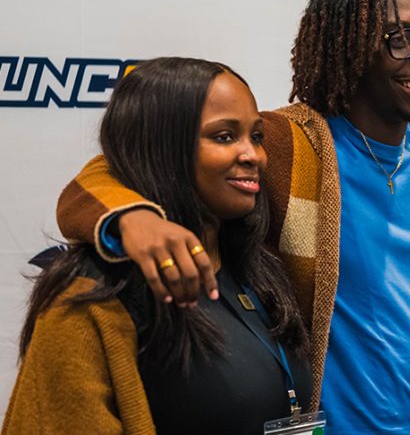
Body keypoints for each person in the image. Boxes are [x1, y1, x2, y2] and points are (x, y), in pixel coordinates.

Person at [54, 0, 410, 435]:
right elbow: (109, 173)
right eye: (400, 39)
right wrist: (134, 219)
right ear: (348, 47)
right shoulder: (286, 144)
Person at [4, 58, 312, 434]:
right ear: (160, 148)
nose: (254, 155)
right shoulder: (96, 292)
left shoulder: (256, 268)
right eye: (224, 136)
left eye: (257, 137)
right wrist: (133, 218)